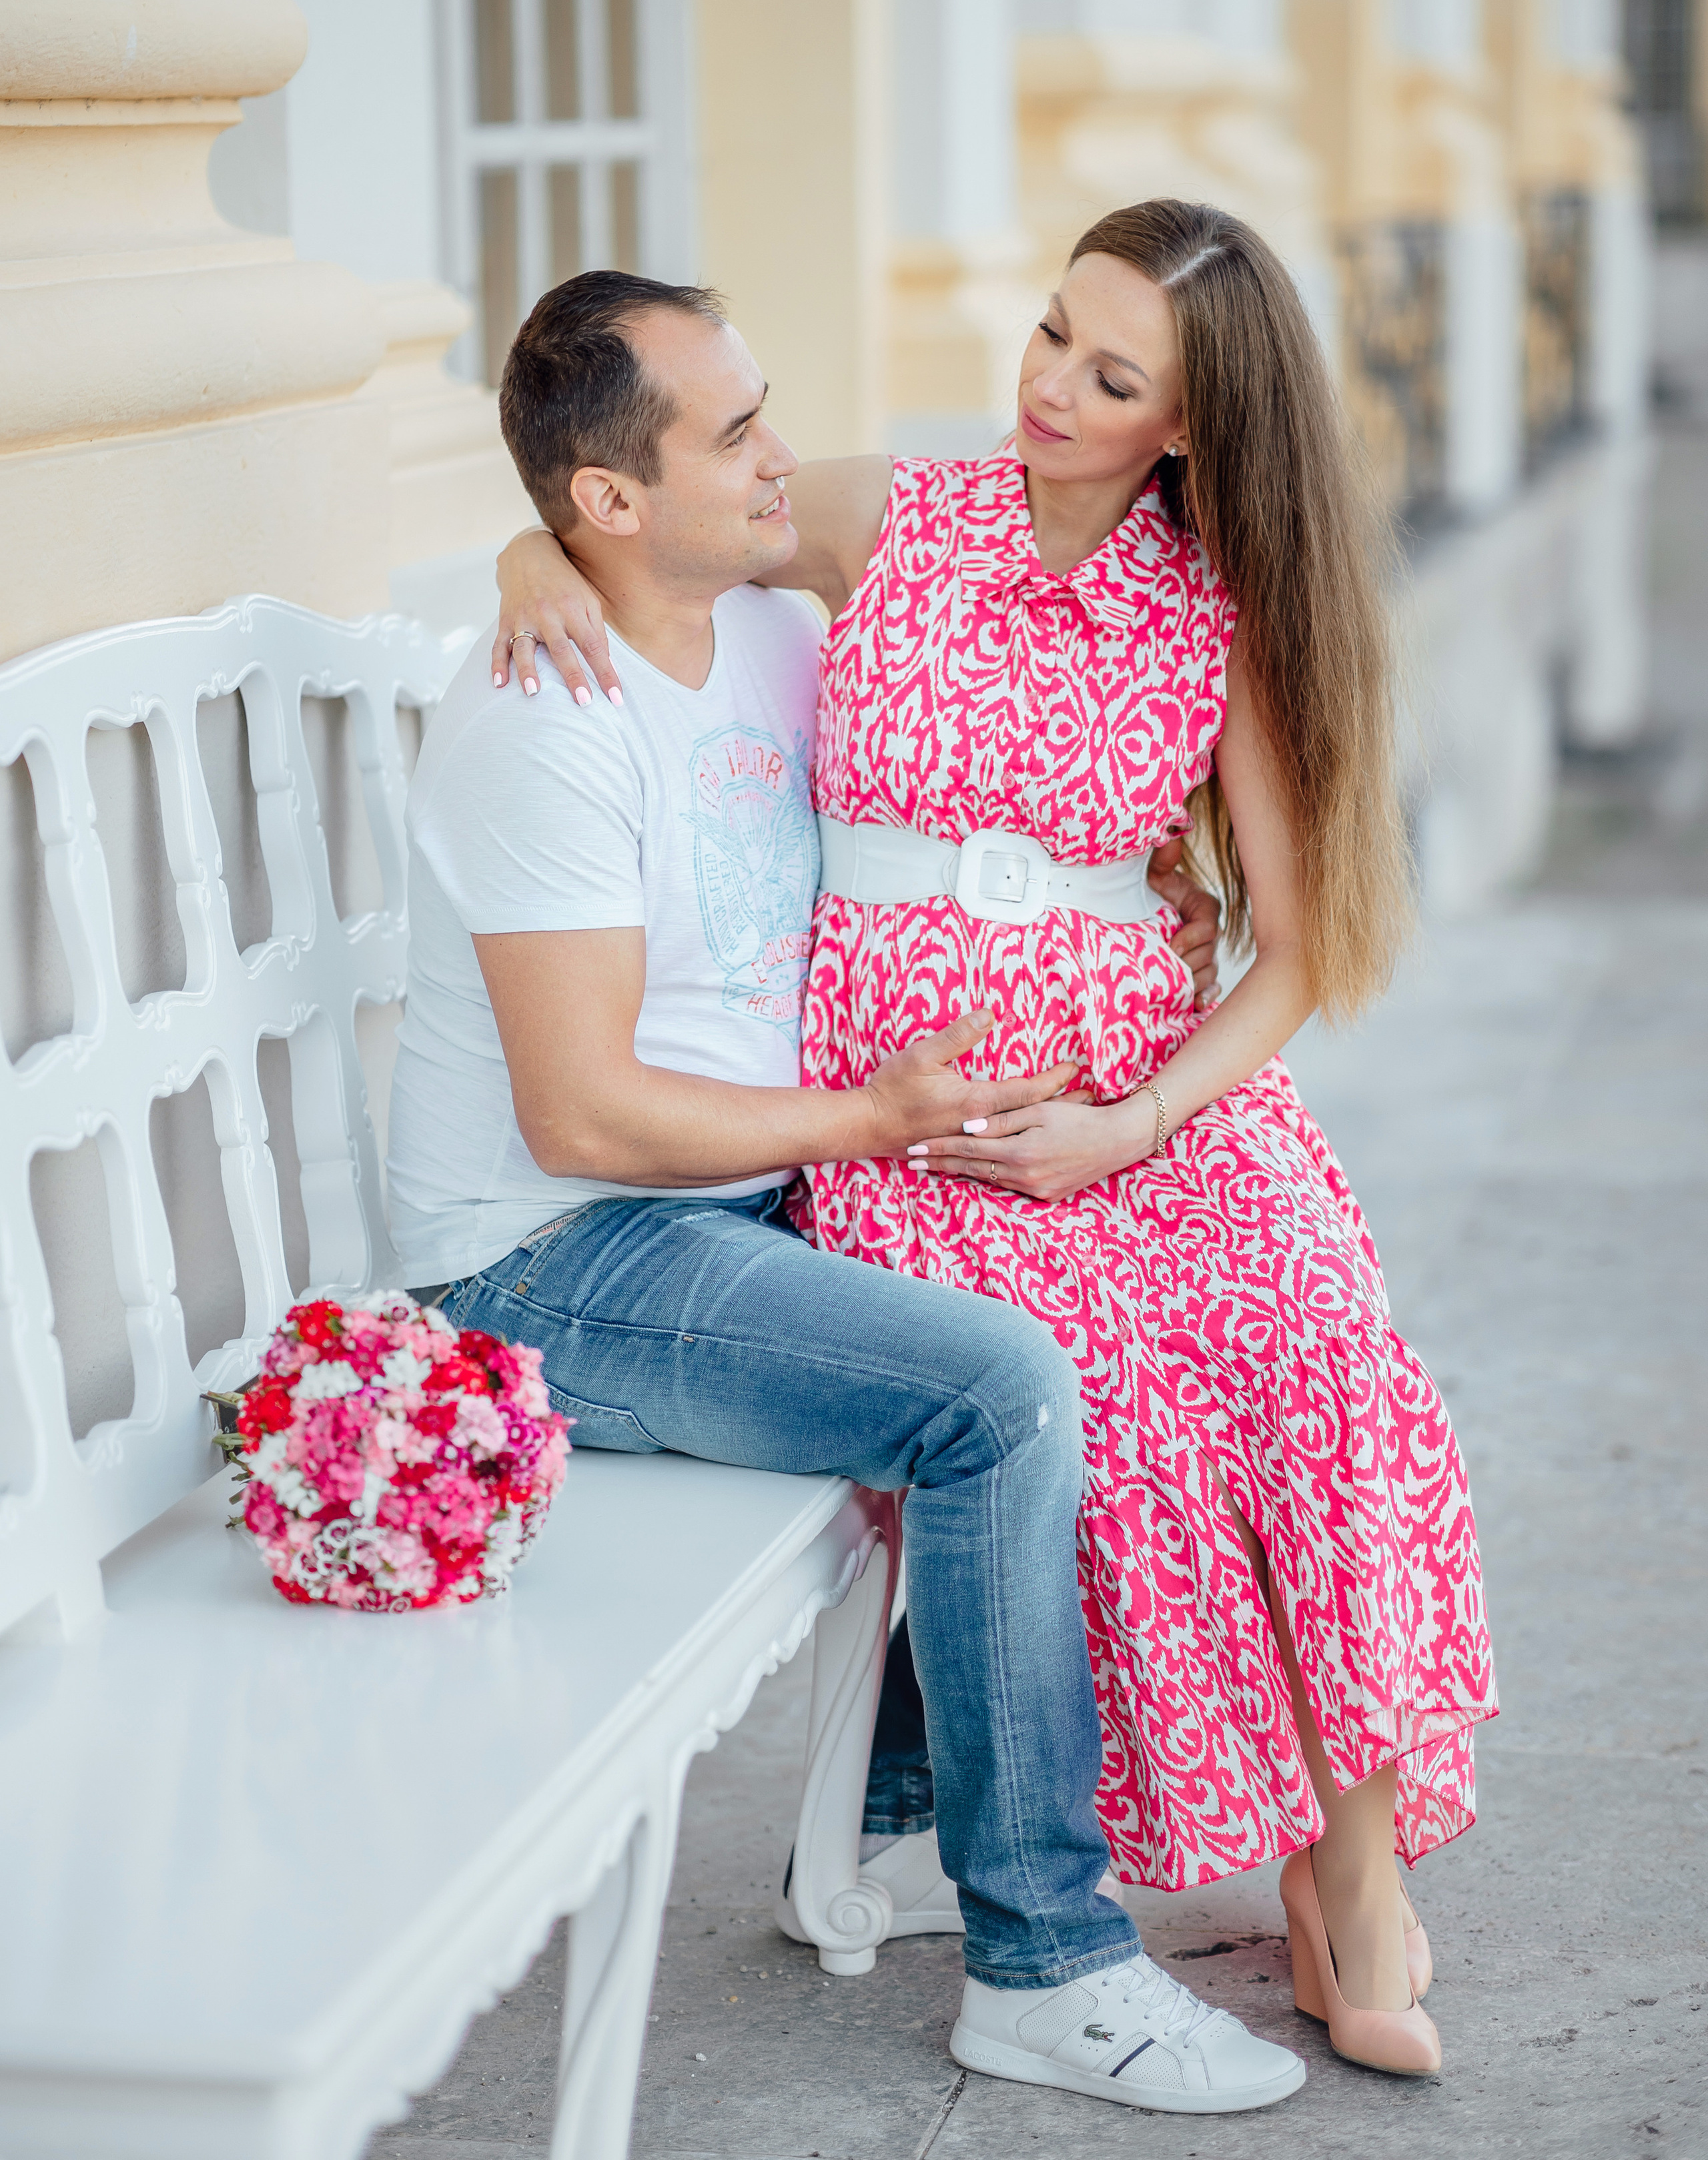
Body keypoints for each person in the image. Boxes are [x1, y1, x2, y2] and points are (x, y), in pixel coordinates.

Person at [494, 202, 1499, 2082]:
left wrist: (1134, 1124)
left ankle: (1350, 1876)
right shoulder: (899, 516)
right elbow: (658, 514)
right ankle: (1130, 1870)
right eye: (1051, 335)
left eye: (1112, 379)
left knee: (1318, 1349)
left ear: (1189, 427)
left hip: (1142, 1090)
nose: (1048, 390)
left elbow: (1293, 950)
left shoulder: (1220, 608)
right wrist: (519, 553)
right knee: (1117, 1401)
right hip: (917, 1117)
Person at [385, 267, 1306, 2118]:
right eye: (736, 434)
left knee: (1127, 1312)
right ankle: (1043, 1965)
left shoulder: (771, 635)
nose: (780, 458)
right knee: (997, 1390)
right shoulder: (541, 723)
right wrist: (873, 1119)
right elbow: (582, 1121)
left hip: (739, 1204)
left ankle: (893, 1812)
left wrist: (1150, 880)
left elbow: (964, 791)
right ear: (615, 498)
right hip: (554, 1265)